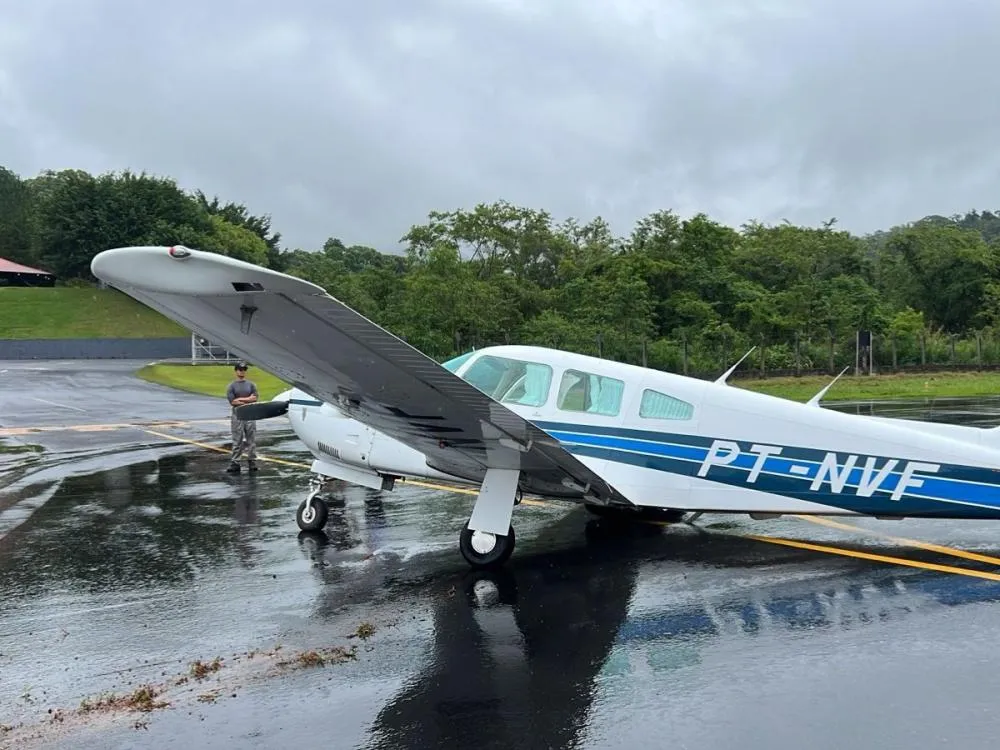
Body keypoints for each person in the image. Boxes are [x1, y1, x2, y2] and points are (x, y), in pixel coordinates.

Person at [225, 361, 259, 473]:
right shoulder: (231, 386)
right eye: (240, 369)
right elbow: (233, 402)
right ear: (236, 371)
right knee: (237, 440)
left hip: (250, 415)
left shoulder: (251, 384)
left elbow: (255, 398)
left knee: (251, 439)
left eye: (244, 370)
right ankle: (235, 462)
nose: (242, 372)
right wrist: (247, 399)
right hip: (238, 416)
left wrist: (242, 400)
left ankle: (252, 460)